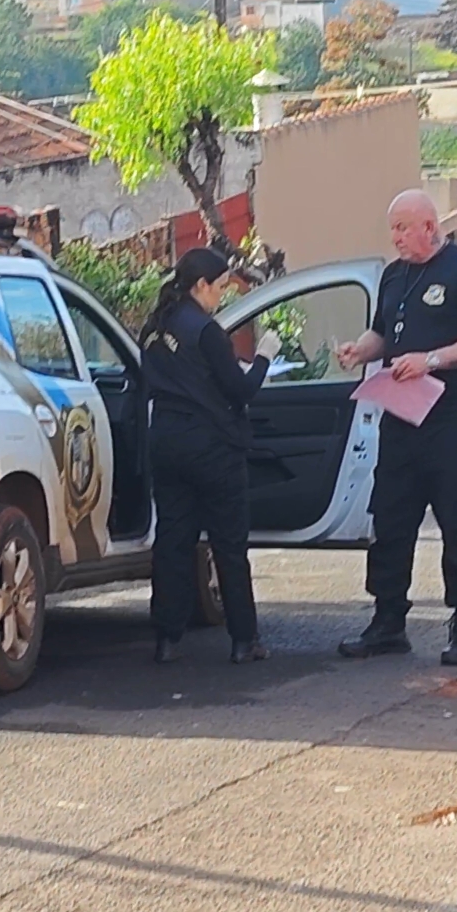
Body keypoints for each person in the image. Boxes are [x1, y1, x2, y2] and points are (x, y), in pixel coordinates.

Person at [336, 190, 457, 666]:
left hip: (450, 420)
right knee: (390, 520)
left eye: (402, 228)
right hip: (401, 418)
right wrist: (361, 350)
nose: (395, 238)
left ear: (429, 227)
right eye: (392, 229)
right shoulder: (394, 275)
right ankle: (388, 622)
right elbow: (383, 333)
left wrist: (431, 359)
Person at [140, 248, 282, 665]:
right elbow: (240, 390)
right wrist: (264, 356)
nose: (222, 295)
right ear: (200, 285)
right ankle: (244, 639)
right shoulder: (206, 331)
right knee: (228, 544)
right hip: (213, 447)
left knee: (173, 541)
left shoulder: (153, 327)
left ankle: (167, 637)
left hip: (166, 440)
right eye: (220, 287)